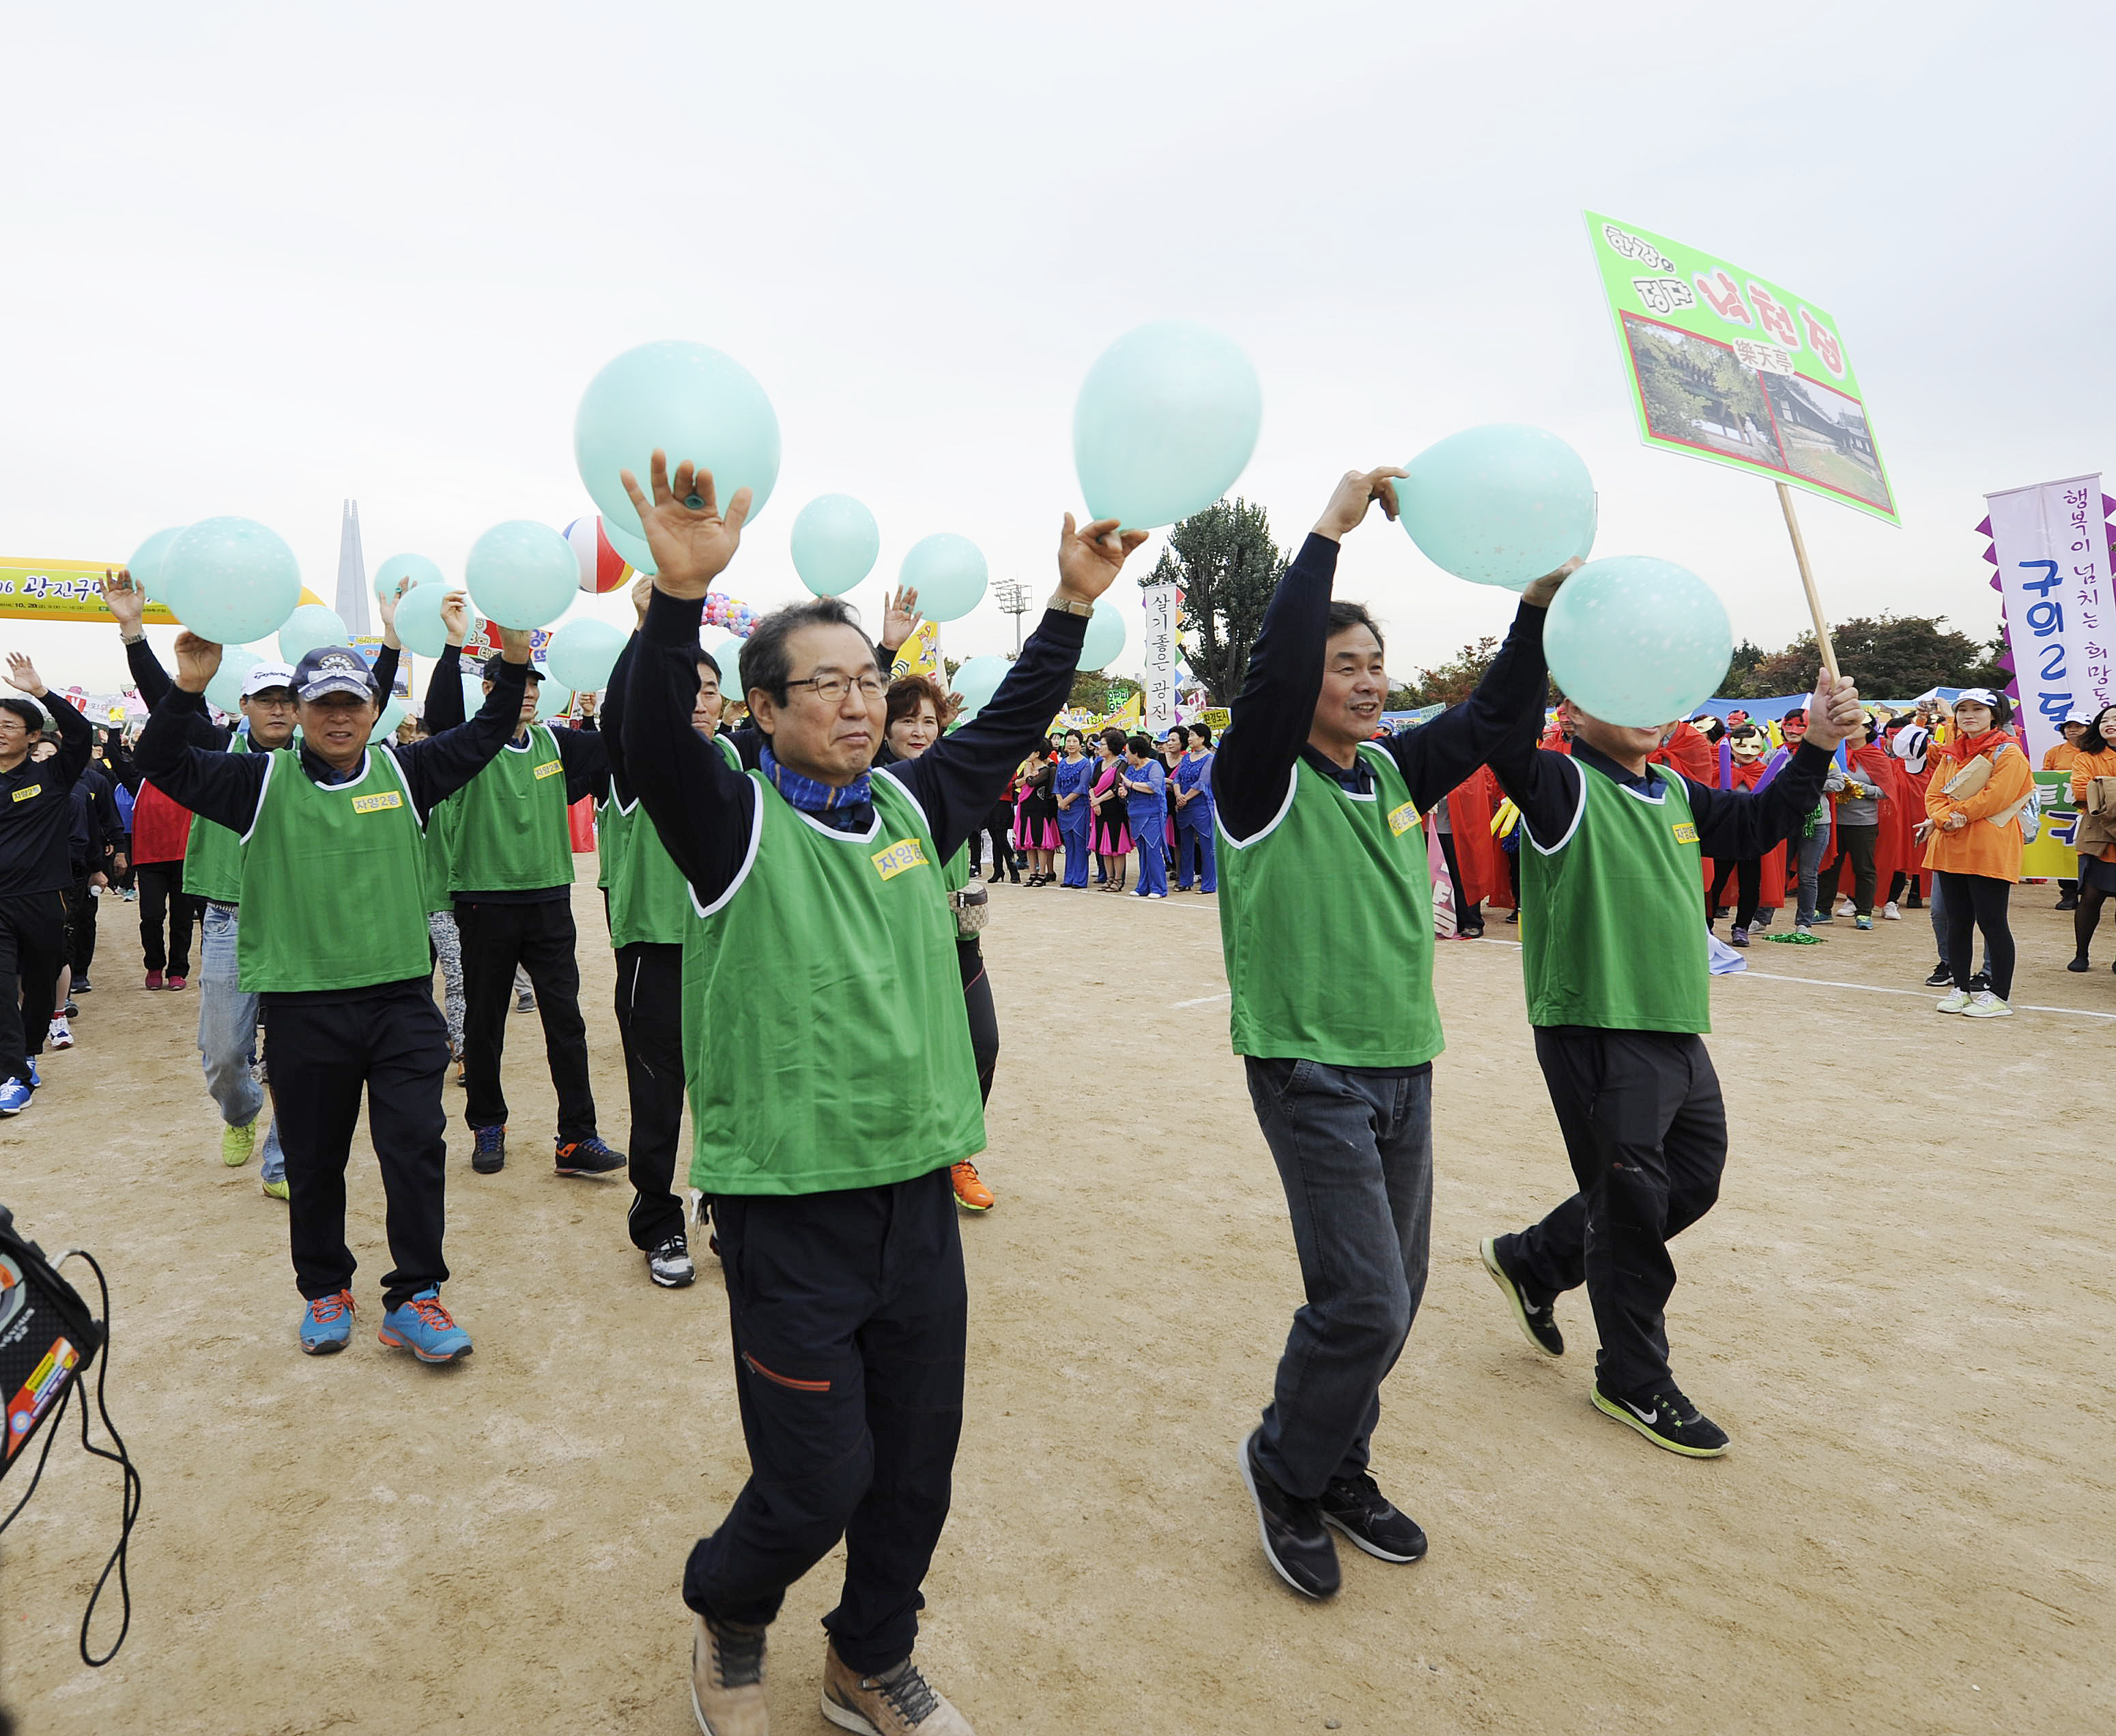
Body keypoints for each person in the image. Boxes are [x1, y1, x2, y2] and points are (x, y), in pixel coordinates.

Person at [620, 450, 1143, 1736]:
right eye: (828, 685)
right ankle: (729, 1608)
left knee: (913, 1468)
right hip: (789, 1208)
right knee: (816, 1477)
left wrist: (1070, 604)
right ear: (761, 708)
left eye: (869, 679)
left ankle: (869, 1656)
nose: (859, 703)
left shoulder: (912, 804)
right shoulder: (732, 823)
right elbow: (647, 738)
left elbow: (1008, 728)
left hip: (915, 1196)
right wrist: (677, 601)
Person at [1213, 465, 1571, 1602]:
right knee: (1363, 1297)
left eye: (1376, 662)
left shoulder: (1392, 771)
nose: (1369, 680)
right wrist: (1329, 531)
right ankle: (1286, 1466)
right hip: (1310, 1064)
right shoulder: (1259, 777)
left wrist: (1534, 608)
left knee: (1393, 1295)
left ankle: (1335, 1462)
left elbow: (1497, 718)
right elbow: (1271, 673)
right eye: (1345, 665)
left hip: (1405, 1060)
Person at [1477, 665, 1859, 1457]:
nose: (1647, 709)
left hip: (1673, 1024)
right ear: (1571, 712)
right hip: (1595, 1024)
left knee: (1691, 1179)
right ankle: (1632, 1377)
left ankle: (1535, 1259)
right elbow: (1500, 732)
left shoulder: (1675, 790)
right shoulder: (1560, 786)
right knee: (1629, 1209)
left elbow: (1760, 825)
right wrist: (1539, 619)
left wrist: (1819, 744)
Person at [135, 630, 534, 1359]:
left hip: (398, 1003)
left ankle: (416, 1297)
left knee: (415, 1148)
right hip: (303, 1005)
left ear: (375, 710)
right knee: (314, 1160)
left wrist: (512, 662)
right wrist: (187, 686)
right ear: (299, 711)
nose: (339, 717)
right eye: (323, 704)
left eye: (353, 703)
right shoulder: (258, 782)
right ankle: (325, 1288)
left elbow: (485, 732)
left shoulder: (409, 773)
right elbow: (159, 761)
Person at [420, 602, 624, 1178]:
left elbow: (618, 741)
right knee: (485, 1024)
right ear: (491, 690)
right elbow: (439, 716)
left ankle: (577, 1137)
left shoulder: (556, 745)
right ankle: (487, 1124)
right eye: (519, 683)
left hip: (549, 900)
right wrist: (453, 647)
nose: (529, 692)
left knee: (566, 1022)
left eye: (535, 684)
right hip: (483, 900)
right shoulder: (469, 748)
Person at [109, 569, 298, 1189]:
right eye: (266, 699)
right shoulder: (216, 750)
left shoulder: (315, 765)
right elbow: (169, 703)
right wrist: (134, 632)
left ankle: (282, 1161)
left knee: (297, 1053)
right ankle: (240, 1113)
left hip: (298, 921)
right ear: (244, 706)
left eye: (287, 700)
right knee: (223, 1054)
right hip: (228, 920)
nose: (277, 708)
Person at [600, 579, 725, 1288]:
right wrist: (651, 628)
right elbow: (623, 711)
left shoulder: (739, 766)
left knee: (733, 1087)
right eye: (686, 689)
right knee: (658, 1099)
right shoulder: (638, 766)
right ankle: (657, 1219)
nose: (698, 701)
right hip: (658, 957)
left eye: (710, 691)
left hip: (730, 956)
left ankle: (730, 1204)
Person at [884, 673, 999, 1213]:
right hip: (895, 951)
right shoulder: (871, 786)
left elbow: (987, 752)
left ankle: (956, 1154)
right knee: (901, 1061)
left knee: (982, 1044)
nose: (919, 730)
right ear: (884, 728)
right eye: (907, 720)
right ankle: (903, 1164)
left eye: (928, 721)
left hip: (958, 943)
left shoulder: (949, 780)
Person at [0, 658, 91, 1114]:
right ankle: (13, 1074)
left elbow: (81, 734)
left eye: (8, 726)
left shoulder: (51, 776)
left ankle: (29, 1052)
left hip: (42, 899)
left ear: (33, 735)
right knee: (2, 988)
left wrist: (41, 692)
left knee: (39, 985)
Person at [1924, 689, 2030, 1017]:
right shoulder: (1951, 753)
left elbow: (1996, 797)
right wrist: (1944, 817)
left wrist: (1958, 814)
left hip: (1989, 846)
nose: (1969, 715)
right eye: (1963, 710)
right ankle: (1961, 989)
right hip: (1951, 844)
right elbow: (1933, 794)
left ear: (1994, 715)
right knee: (1956, 921)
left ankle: (1999, 995)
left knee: (1992, 921)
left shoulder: (2008, 752)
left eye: (1978, 709)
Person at [131, 758, 201, 991]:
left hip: (184, 857)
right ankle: (154, 965)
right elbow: (118, 758)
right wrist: (115, 735)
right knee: (151, 916)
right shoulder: (140, 778)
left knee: (182, 918)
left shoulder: (192, 777)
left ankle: (178, 970)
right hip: (149, 859)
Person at [1816, 713, 1891, 930]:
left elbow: (1885, 791)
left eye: (1855, 725)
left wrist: (1858, 787)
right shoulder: (1834, 753)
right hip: (1835, 819)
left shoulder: (1877, 757)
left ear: (1868, 729)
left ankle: (1864, 912)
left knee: (1864, 868)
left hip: (1863, 822)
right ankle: (1822, 909)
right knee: (1829, 866)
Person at [2065, 704, 2116, 971]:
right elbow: (2082, 791)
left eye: (2115, 719)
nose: (2109, 723)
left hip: (2102, 822)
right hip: (2100, 836)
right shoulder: (2087, 757)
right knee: (2091, 897)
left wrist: (2104, 786)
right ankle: (2081, 953)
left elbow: (2097, 790)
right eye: (2104, 720)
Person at [2046, 711, 2095, 909]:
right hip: (2062, 812)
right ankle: (2068, 893)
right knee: (2064, 852)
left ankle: (2091, 894)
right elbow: (2046, 778)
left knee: (2091, 853)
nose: (2073, 730)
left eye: (2078, 726)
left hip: (2090, 810)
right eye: (2069, 726)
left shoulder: (2097, 751)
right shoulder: (2054, 752)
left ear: (2089, 729)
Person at [1171, 723, 1218, 893]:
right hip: (1184, 806)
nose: (1189, 739)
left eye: (1192, 735)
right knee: (1186, 845)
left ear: (1202, 738)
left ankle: (1209, 884)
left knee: (1207, 846)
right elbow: (1177, 778)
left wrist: (1185, 798)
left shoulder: (1210, 759)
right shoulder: (1186, 758)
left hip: (1201, 807)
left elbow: (1202, 783)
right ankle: (1185, 881)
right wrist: (1179, 795)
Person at [1121, 733, 1169, 898]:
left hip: (1152, 813)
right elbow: (1126, 787)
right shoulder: (1130, 769)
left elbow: (1154, 786)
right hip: (1135, 814)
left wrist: (1131, 784)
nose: (1126, 755)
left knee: (1153, 849)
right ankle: (1144, 886)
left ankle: (1159, 888)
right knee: (1142, 851)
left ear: (1136, 752)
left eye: (1127, 752)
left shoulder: (1154, 766)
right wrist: (1124, 791)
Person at [1089, 727, 1132, 892]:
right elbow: (1092, 785)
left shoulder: (1121, 764)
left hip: (1115, 809)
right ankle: (1109, 878)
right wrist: (1094, 802)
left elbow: (1116, 787)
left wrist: (1098, 800)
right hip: (1098, 810)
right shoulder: (1099, 764)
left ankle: (1118, 879)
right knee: (1104, 846)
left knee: (1117, 846)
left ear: (1112, 746)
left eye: (1103, 744)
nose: (1099, 747)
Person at [1052, 729, 1094, 888]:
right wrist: (1060, 801)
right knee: (1069, 845)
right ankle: (1069, 877)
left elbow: (1082, 786)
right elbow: (1056, 785)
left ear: (1080, 744)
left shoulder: (1085, 763)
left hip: (1079, 808)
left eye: (1075, 741)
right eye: (1068, 741)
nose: (1071, 744)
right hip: (1063, 809)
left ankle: (1080, 879)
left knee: (1080, 843)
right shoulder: (1062, 763)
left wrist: (1066, 801)